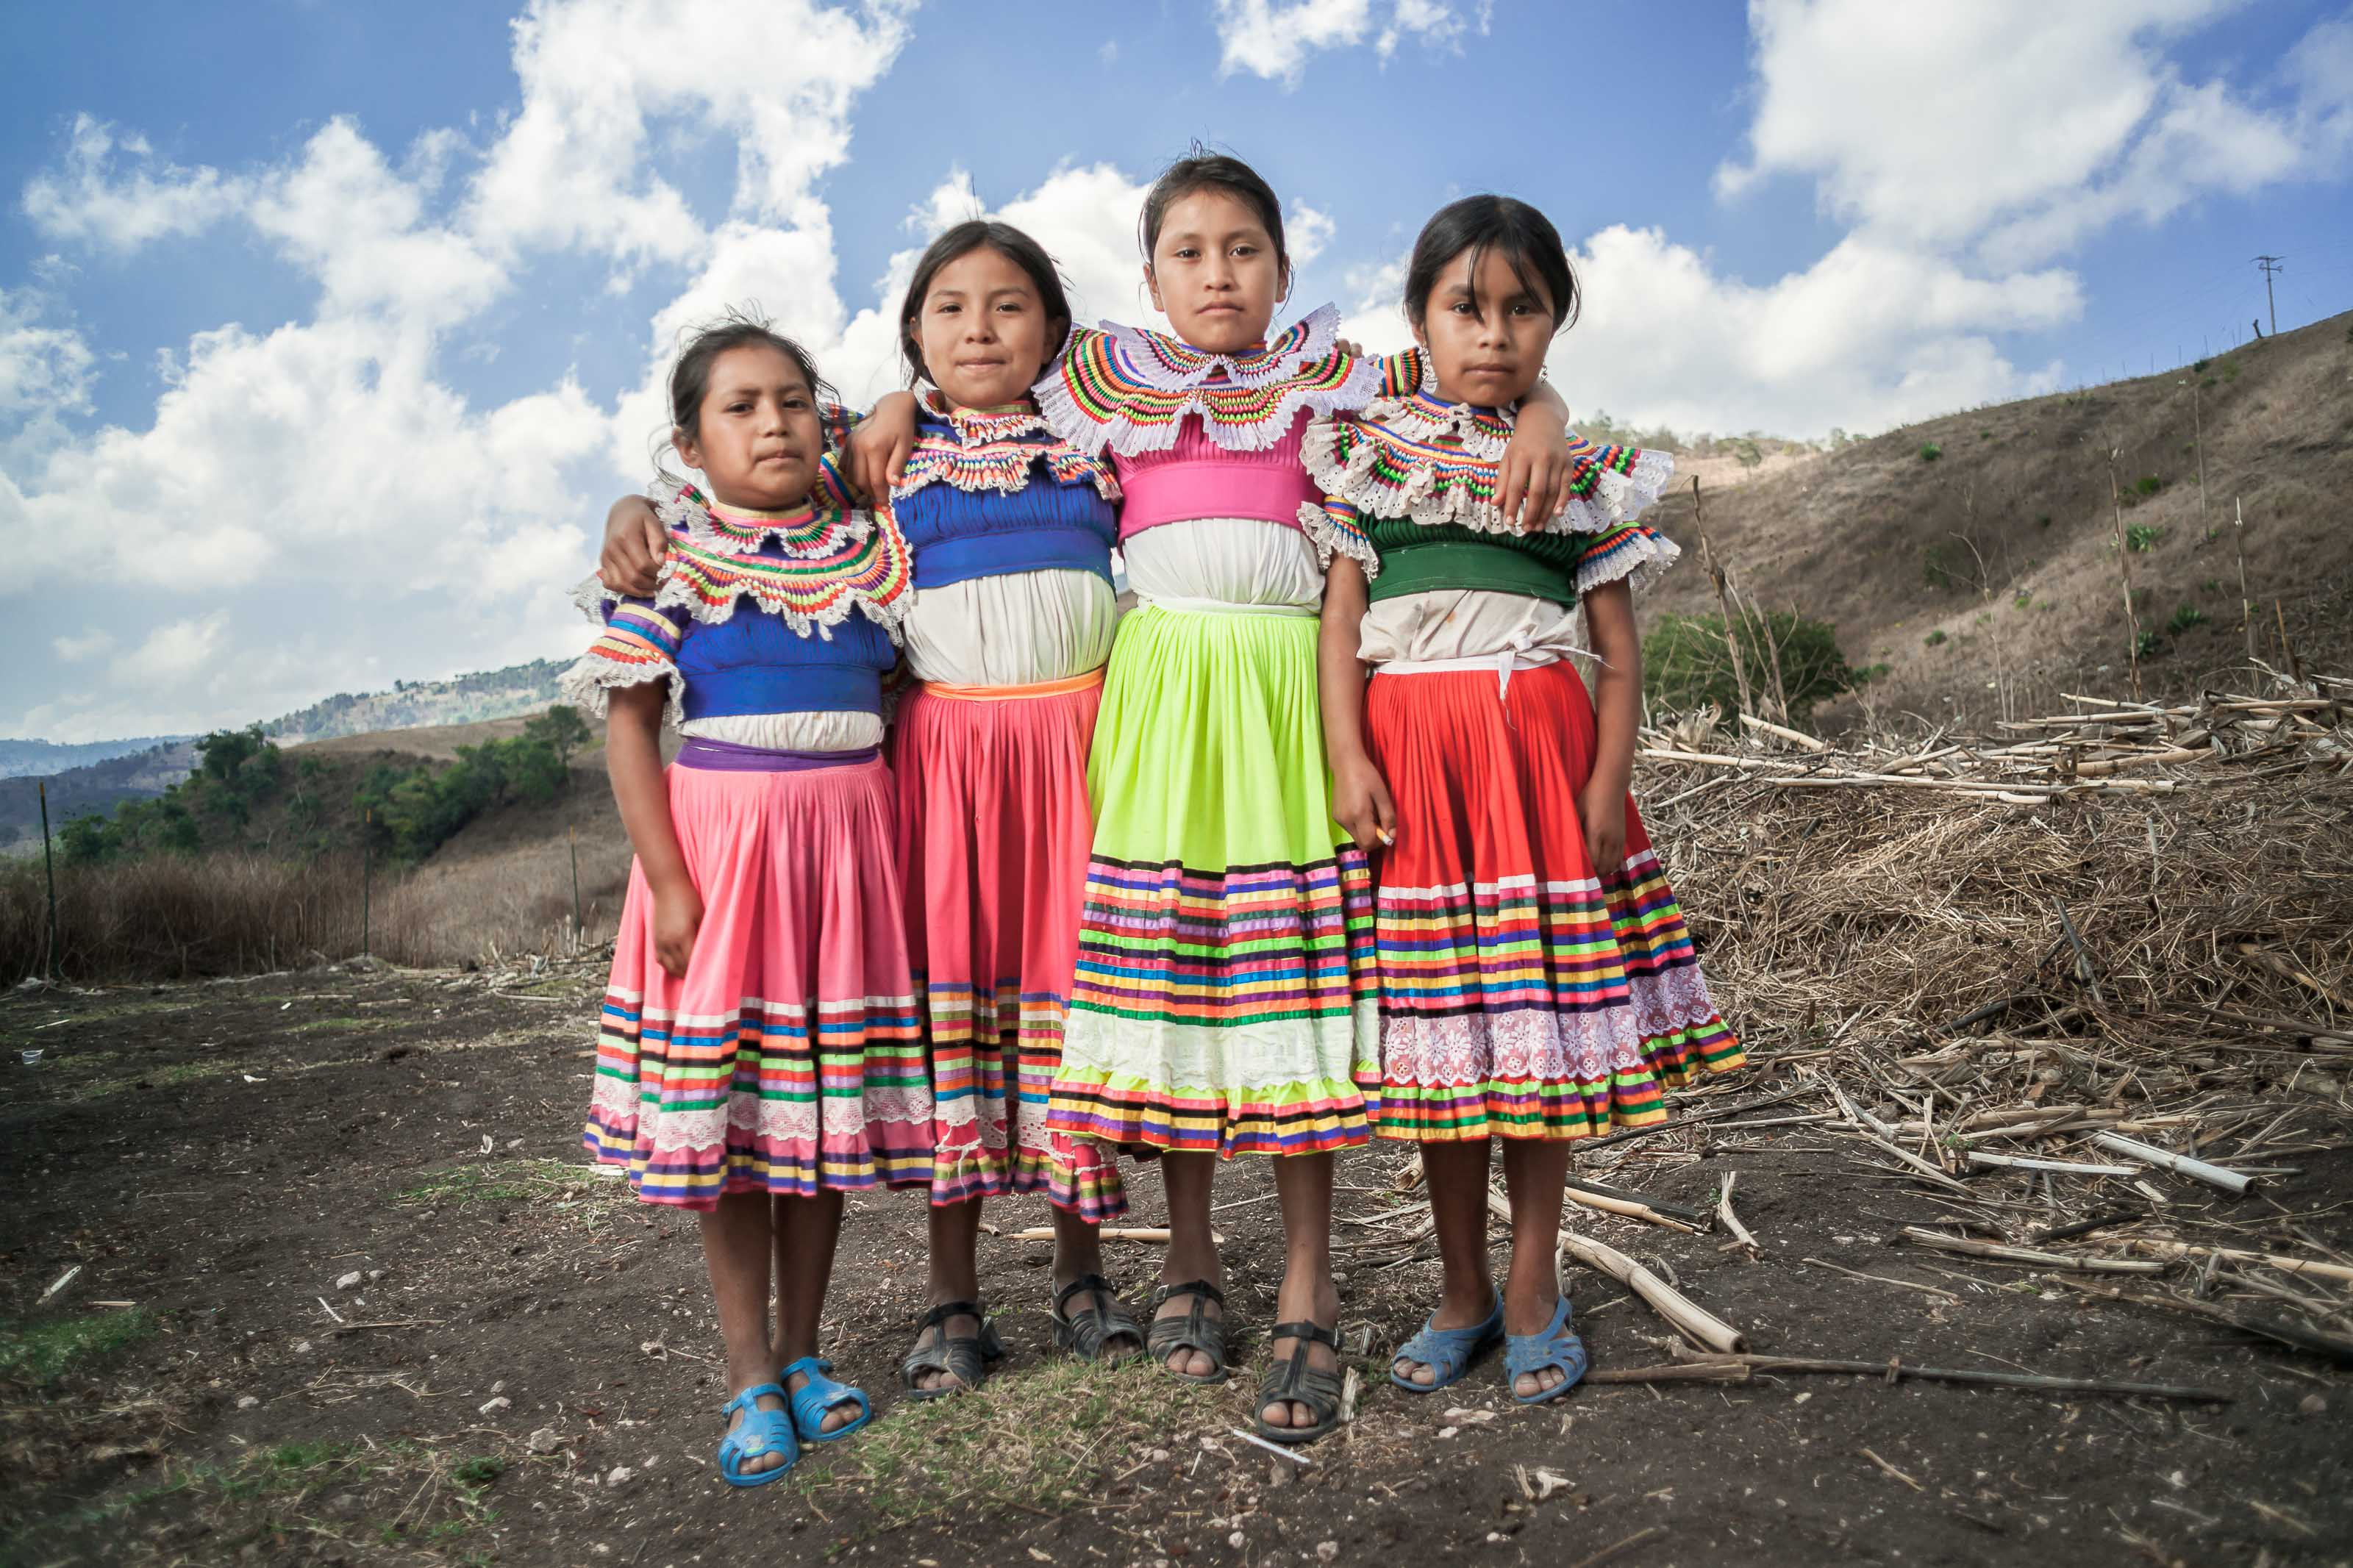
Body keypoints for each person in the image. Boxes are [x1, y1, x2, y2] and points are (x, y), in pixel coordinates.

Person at [854, 153, 1578, 1445]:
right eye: (1188, 252)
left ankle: (1309, 1283)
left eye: (1244, 249)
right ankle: (1191, 1257)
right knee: (1175, 986)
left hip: (1290, 695)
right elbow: (977, 382)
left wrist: (1550, 415)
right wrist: (889, 404)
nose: (1218, 274)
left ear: (1285, 269)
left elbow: (1490, 371)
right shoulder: (1098, 384)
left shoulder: (1345, 380)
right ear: (1148, 280)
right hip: (1158, 705)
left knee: (1297, 994)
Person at [600, 224, 1145, 1398]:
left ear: (1054, 329)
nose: (982, 329)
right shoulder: (865, 479)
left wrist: (891, 396)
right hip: (929, 789)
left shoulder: (1098, 439)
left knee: (1071, 1011)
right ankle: (948, 1295)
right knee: (954, 1021)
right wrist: (624, 506)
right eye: (950, 310)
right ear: (912, 334)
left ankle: (1081, 1271)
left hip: (1073, 770)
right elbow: (729, 496)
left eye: (1011, 307)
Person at [1306, 196, 1742, 1406]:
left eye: (1523, 310)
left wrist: (1608, 784)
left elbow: (1617, 649)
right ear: (1420, 318)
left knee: (1534, 1044)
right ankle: (1462, 1288)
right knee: (1445, 1052)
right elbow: (1342, 627)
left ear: (1557, 322)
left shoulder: (1582, 476)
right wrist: (1350, 759)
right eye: (1465, 307)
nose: (1492, 334)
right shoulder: (1369, 456)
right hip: (1419, 788)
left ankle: (1537, 1279)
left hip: (1537, 777)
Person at [567, 315, 926, 1486]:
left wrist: (891, 409)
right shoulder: (672, 558)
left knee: (813, 1126)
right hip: (726, 864)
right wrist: (671, 883)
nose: (772, 423)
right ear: (689, 442)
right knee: (734, 1133)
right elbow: (632, 731)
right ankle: (746, 1376)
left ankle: (806, 1350)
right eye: (739, 406)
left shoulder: (870, 545)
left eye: (792, 401)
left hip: (847, 858)